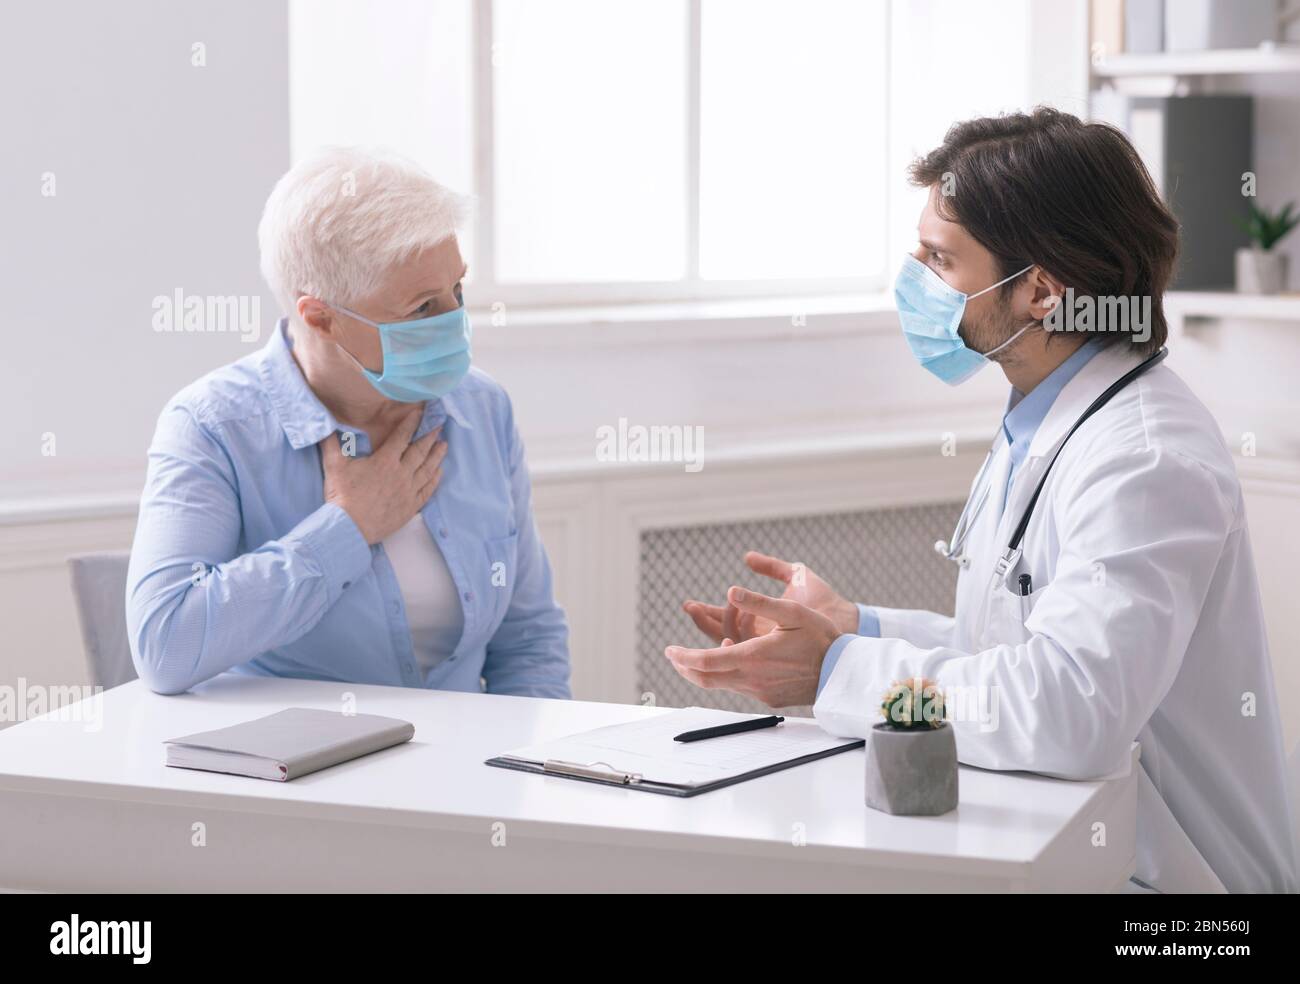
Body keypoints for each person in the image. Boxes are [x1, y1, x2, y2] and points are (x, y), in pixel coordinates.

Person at [667, 108, 1297, 893]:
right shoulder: (1047, 415)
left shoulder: (1143, 457)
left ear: (1040, 292)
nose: (916, 283)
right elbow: (1014, 651)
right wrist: (852, 628)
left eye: (940, 260)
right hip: (1081, 857)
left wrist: (836, 672)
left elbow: (1070, 711)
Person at [127, 147, 569, 698]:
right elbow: (165, 644)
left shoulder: (481, 408)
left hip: (468, 773)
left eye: (458, 289)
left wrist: (529, 770)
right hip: (294, 776)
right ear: (321, 317)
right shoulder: (212, 426)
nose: (455, 322)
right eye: (422, 309)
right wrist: (348, 526)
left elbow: (528, 639)